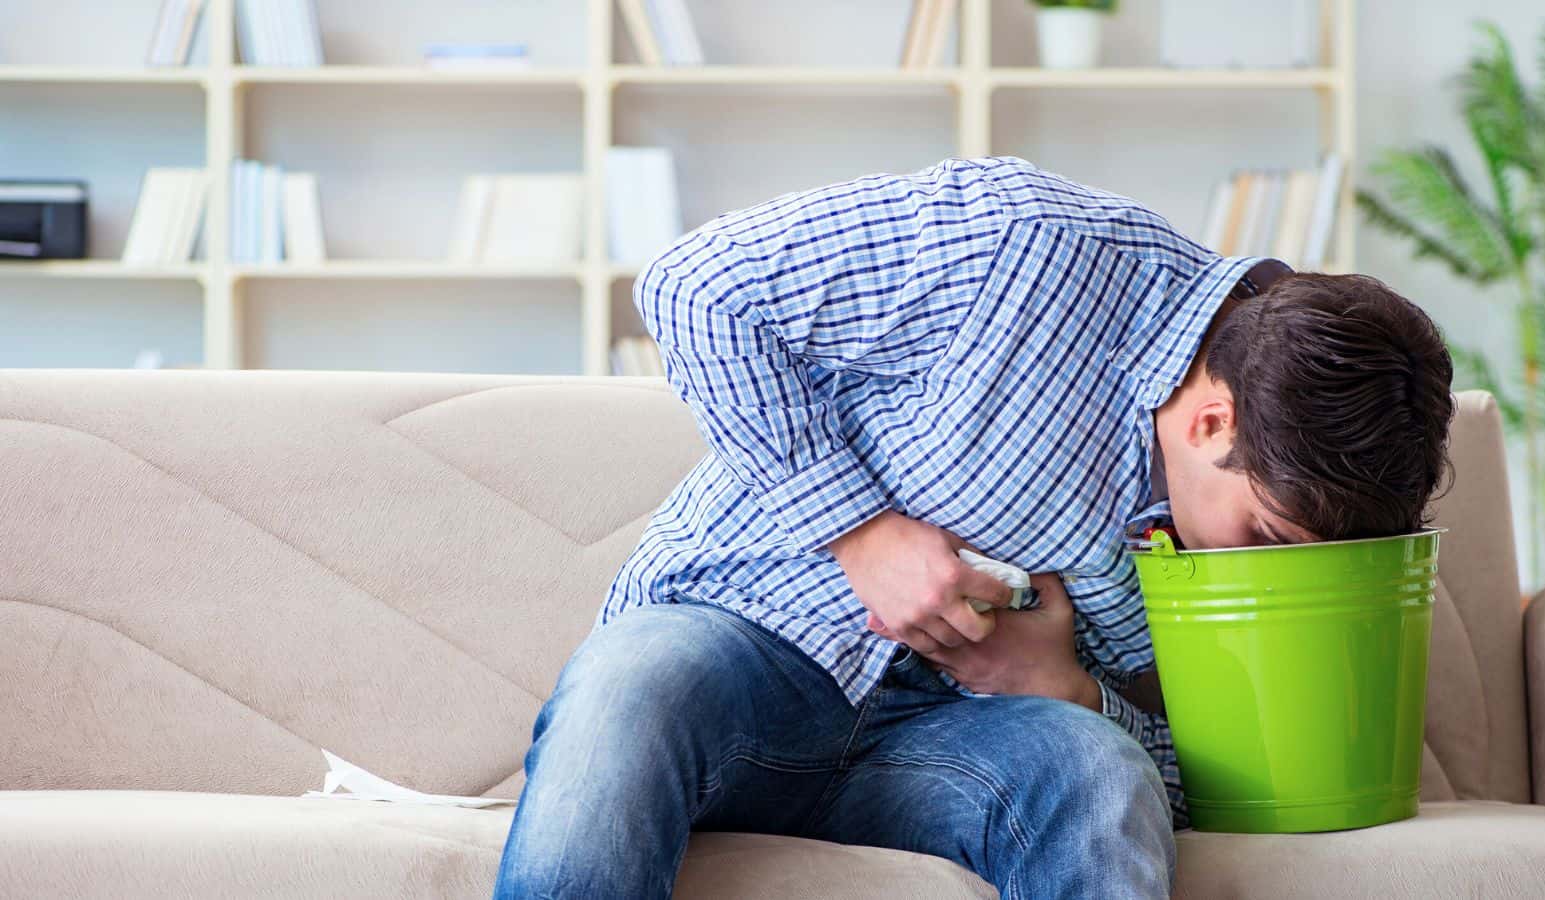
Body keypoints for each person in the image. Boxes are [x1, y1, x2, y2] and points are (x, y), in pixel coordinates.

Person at [492, 156, 1455, 899]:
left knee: (1098, 774)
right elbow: (695, 288)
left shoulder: (1310, 504)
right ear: (1213, 423)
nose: (1263, 573)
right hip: (745, 661)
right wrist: (860, 533)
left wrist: (1069, 690)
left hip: (955, 753)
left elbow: (1229, 779)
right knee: (635, 679)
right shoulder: (1022, 246)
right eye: (1263, 536)